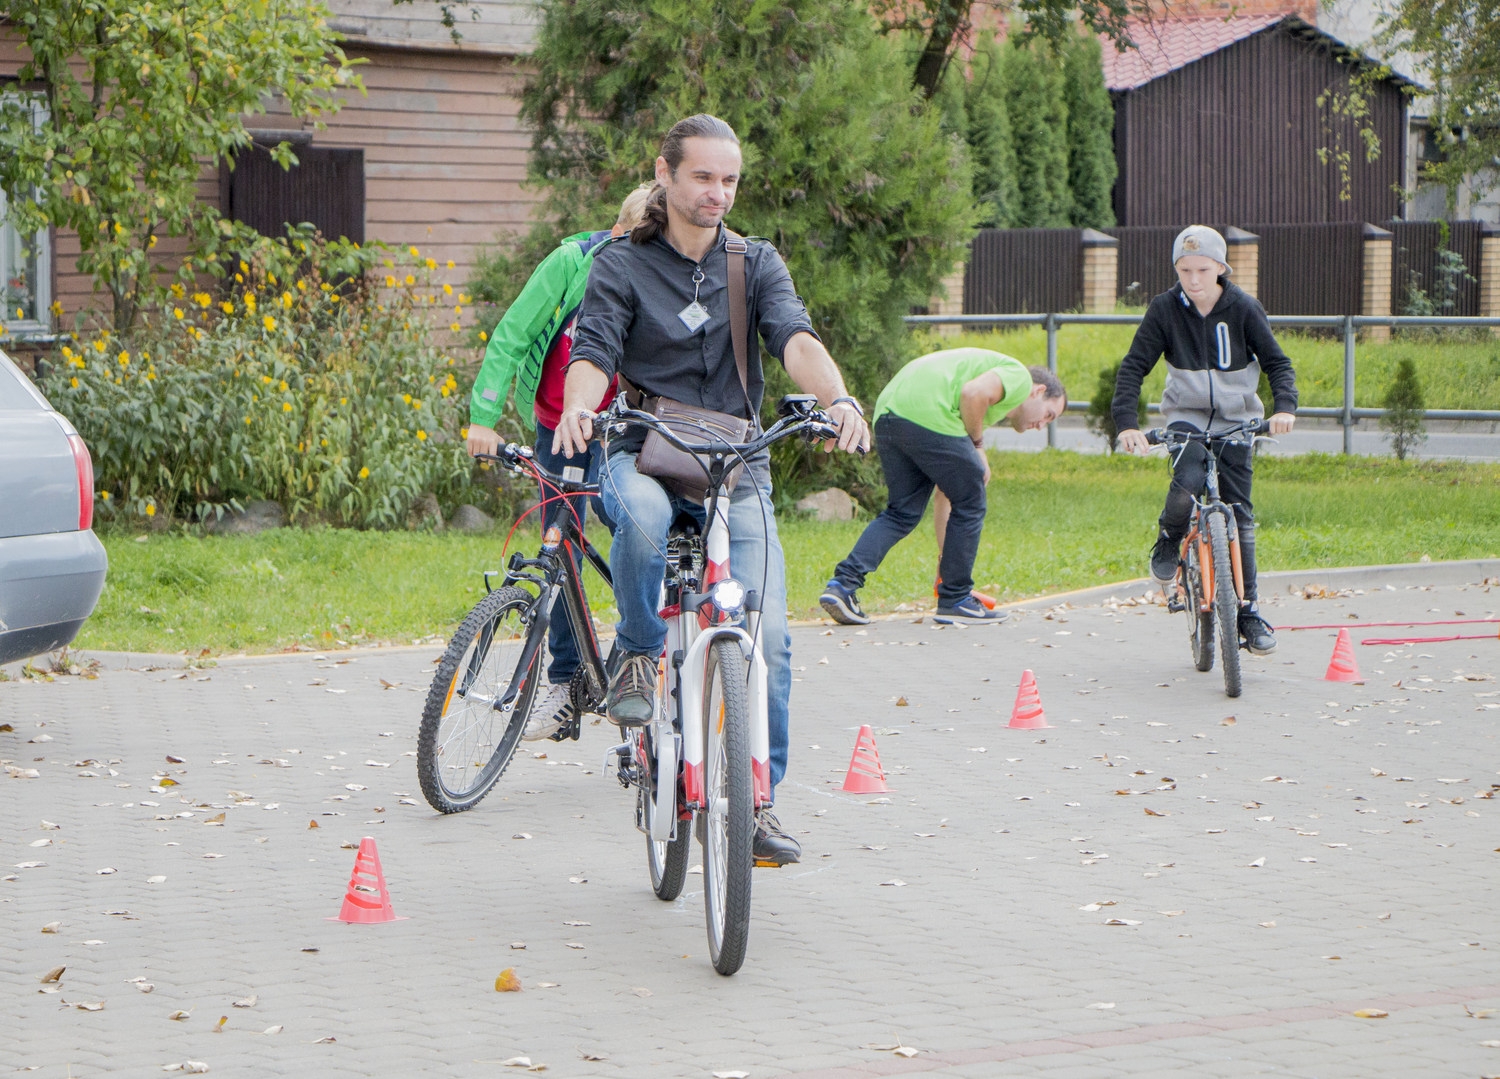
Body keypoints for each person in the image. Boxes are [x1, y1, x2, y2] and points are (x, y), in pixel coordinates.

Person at [553, 114, 870, 865]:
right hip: (645, 447)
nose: (717, 193)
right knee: (640, 514)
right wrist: (577, 404)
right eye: (702, 177)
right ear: (663, 174)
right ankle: (636, 654)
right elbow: (594, 347)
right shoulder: (621, 265)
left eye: (729, 180)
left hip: (735, 461)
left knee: (772, 640)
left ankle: (756, 805)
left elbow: (793, 335)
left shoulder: (754, 264)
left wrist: (839, 398)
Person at [466, 183, 653, 741]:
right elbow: (511, 335)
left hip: (625, 428)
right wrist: (483, 415)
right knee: (559, 543)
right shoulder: (572, 262)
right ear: (617, 234)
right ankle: (567, 683)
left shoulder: (660, 278)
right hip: (558, 423)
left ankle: (636, 652)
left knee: (632, 528)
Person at [1112, 225, 1297, 656]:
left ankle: (1247, 612)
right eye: (1184, 270)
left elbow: (1278, 364)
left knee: (1241, 512)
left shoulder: (1245, 309)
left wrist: (1283, 408)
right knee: (1188, 476)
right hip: (1187, 418)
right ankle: (1170, 536)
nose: (1193, 280)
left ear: (1220, 268)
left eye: (1202, 269)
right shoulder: (1164, 310)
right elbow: (1133, 368)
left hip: (1237, 421)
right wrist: (1126, 423)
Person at [819, 348, 1066, 626]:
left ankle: (842, 585)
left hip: (890, 414)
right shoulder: (1019, 378)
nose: (1041, 426)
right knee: (973, 499)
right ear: (1038, 391)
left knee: (902, 512)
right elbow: (973, 393)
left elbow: (946, 494)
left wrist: (945, 563)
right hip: (926, 411)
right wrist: (977, 447)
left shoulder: (981, 396)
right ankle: (956, 600)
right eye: (1049, 415)